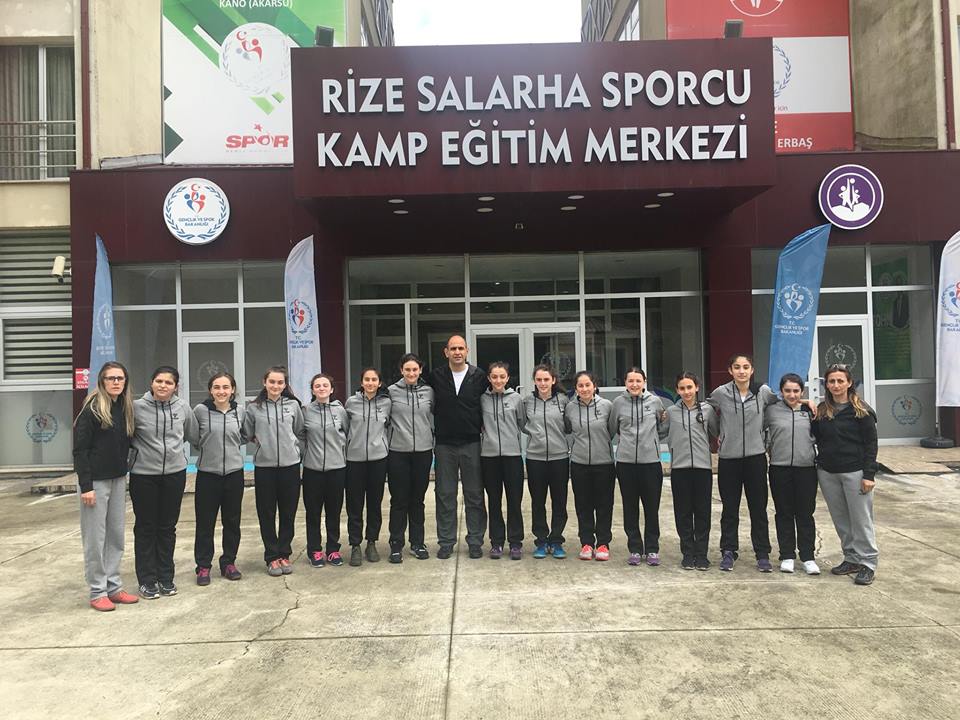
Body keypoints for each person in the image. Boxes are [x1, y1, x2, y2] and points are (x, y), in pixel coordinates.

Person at [73, 361, 139, 611]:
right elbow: (80, 451)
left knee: (115, 535)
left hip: (118, 479)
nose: (116, 382)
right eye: (111, 378)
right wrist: (86, 486)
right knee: (95, 538)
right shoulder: (92, 409)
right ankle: (97, 591)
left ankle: (113, 587)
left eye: (120, 378)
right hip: (96, 483)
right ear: (102, 381)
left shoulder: (124, 408)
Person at [129, 365, 199, 599]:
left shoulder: (182, 407)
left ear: (175, 387)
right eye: (159, 381)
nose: (163, 385)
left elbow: (193, 435)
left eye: (169, 382)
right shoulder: (136, 408)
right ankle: (147, 580)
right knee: (146, 527)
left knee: (167, 527)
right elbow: (125, 436)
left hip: (174, 475)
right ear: (152, 383)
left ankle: (166, 577)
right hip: (143, 476)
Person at [706, 354, 780, 573]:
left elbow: (782, 406)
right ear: (730, 370)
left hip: (756, 458)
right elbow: (705, 410)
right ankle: (729, 551)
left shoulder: (762, 392)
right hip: (729, 459)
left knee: (758, 508)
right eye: (737, 367)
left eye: (745, 367)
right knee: (730, 508)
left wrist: (806, 402)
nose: (741, 371)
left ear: (752, 370)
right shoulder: (721, 393)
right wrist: (720, 434)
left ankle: (762, 553)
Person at [813, 364, 879, 586]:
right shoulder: (822, 411)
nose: (836, 385)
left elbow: (871, 445)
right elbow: (816, 437)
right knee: (841, 519)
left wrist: (869, 474)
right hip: (828, 473)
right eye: (831, 381)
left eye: (840, 381)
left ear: (849, 383)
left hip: (855, 473)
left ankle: (868, 563)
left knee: (861, 520)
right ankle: (851, 559)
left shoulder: (862, 411)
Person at [426, 334, 489, 559]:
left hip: (472, 443)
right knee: (445, 495)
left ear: (467, 351)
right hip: (445, 445)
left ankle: (475, 541)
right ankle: (446, 542)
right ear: (446, 352)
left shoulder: (479, 376)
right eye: (453, 348)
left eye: (461, 348)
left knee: (474, 495)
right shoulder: (436, 376)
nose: (457, 352)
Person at [242, 366, 304, 577]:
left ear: (285, 385)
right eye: (272, 382)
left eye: (280, 382)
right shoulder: (254, 408)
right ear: (264, 382)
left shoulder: (293, 406)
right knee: (266, 513)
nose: (275, 386)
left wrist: (293, 448)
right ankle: (271, 556)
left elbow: (299, 431)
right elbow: (247, 433)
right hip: (264, 468)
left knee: (288, 512)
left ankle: (284, 553)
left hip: (290, 466)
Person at [764, 373, 820, 576]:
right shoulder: (771, 411)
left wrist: (806, 402)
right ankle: (787, 555)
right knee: (784, 513)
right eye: (787, 390)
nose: (792, 394)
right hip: (779, 468)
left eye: (796, 391)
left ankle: (808, 557)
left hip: (806, 469)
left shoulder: (811, 411)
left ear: (802, 391)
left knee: (805, 513)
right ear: (781, 391)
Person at [192, 372, 245, 586]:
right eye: (217, 387)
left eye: (225, 387)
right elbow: (194, 437)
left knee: (232, 521)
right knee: (205, 523)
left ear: (233, 390)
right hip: (207, 475)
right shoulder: (200, 411)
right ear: (210, 390)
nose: (221, 391)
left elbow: (245, 435)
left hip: (234, 474)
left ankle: (229, 562)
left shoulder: (240, 411)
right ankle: (203, 565)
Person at [661, 372, 718, 570]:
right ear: (677, 390)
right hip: (679, 468)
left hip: (702, 468)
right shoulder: (671, 412)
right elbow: (660, 432)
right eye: (682, 388)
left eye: (689, 387)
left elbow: (716, 431)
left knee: (702, 512)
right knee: (683, 512)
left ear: (697, 388)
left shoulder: (707, 410)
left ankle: (701, 554)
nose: (686, 392)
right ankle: (687, 553)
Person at [609, 367, 665, 567]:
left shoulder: (655, 402)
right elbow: (612, 428)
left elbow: (662, 428)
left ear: (644, 382)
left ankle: (652, 548)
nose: (634, 384)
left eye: (638, 381)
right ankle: (634, 547)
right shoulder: (618, 403)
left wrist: (652, 442)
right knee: (630, 507)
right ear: (625, 383)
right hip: (626, 464)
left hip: (651, 463)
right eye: (630, 381)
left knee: (651, 508)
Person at [386, 354, 435, 562]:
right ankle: (396, 544)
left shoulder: (429, 391)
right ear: (401, 370)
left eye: (415, 369)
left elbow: (435, 415)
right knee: (399, 500)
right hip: (398, 452)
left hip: (423, 452)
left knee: (417, 500)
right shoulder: (390, 392)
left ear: (420, 370)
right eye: (407, 369)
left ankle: (417, 543)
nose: (411, 373)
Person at [564, 371, 616, 561]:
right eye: (580, 385)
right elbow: (567, 430)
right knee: (583, 505)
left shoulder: (607, 406)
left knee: (604, 505)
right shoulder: (570, 408)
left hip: (604, 463)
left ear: (595, 386)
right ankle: (586, 542)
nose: (584, 389)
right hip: (579, 463)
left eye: (588, 385)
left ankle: (603, 543)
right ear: (576, 388)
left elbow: (612, 430)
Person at [344, 367, 392, 566]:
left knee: (374, 503)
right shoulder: (351, 403)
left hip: (378, 460)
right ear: (361, 382)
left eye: (374, 380)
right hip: (354, 460)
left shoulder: (386, 403)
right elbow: (345, 428)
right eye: (367, 379)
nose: (370, 383)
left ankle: (371, 542)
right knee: (354, 505)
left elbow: (389, 426)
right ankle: (355, 544)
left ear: (379, 383)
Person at [522, 364, 570, 559]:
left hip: (559, 457)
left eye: (546, 379)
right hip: (535, 458)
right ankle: (541, 540)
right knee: (538, 501)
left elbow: (569, 425)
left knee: (559, 501)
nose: (542, 383)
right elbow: (522, 424)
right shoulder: (527, 402)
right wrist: (536, 436)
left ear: (553, 381)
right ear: (534, 381)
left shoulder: (563, 401)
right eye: (539, 380)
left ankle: (556, 540)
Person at [300, 372, 348, 568]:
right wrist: (305, 454)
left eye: (325, 385)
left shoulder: (340, 410)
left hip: (337, 469)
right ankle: (314, 550)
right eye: (317, 386)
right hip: (312, 470)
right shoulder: (305, 411)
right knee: (313, 512)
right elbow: (300, 435)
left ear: (331, 389)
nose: (321, 388)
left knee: (333, 512)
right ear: (313, 390)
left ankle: (333, 549)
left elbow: (347, 433)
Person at [480, 361, 527, 559]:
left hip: (512, 456)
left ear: (507, 378)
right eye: (494, 377)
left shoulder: (516, 399)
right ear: (489, 378)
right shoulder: (482, 399)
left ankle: (515, 542)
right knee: (494, 501)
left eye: (502, 376)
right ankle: (496, 542)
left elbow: (523, 423)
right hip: (489, 457)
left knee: (514, 501)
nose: (498, 380)